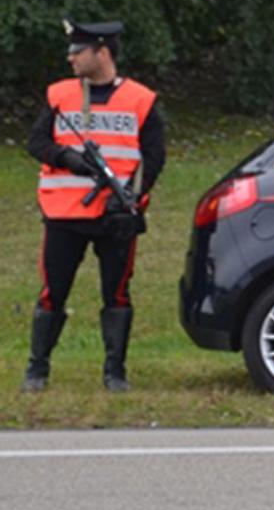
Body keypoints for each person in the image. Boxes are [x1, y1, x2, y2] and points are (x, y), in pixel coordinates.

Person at [20, 19, 166, 393]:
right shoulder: (59, 96)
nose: (70, 59)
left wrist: (134, 198)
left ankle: (115, 372)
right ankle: (37, 370)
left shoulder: (141, 99)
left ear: (102, 53)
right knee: (53, 290)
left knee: (116, 292)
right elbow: (36, 142)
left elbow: (153, 157)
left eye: (77, 52)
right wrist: (66, 158)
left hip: (114, 217)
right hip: (64, 212)